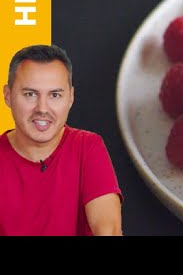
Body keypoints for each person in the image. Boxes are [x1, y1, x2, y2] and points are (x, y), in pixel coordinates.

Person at [0, 44, 123, 236]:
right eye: (30, 94)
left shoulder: (87, 147)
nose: (42, 108)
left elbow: (109, 230)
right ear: (8, 96)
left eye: (55, 95)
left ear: (71, 97)